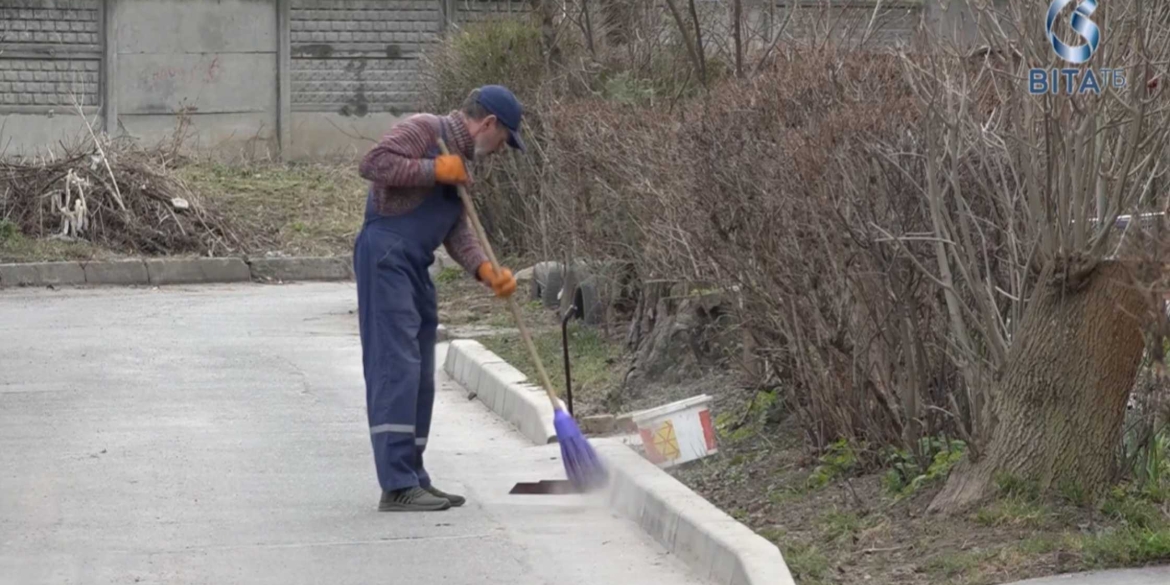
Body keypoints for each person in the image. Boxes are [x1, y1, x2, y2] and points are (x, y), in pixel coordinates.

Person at [354, 85, 523, 512]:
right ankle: (395, 485)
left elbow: (457, 231)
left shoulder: (461, 165)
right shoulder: (426, 130)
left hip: (415, 266)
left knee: (421, 372)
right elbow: (373, 164)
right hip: (386, 257)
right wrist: (434, 169)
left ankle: (414, 476)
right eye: (505, 138)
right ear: (488, 124)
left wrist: (487, 271)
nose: (502, 149)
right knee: (397, 366)